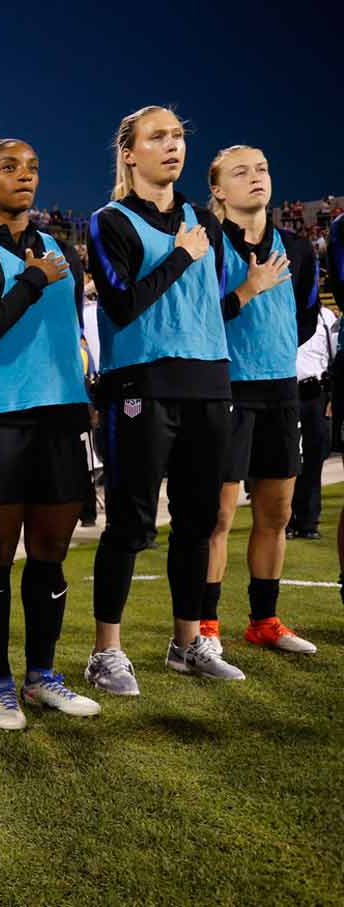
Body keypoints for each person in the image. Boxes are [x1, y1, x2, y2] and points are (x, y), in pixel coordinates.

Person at [0, 139, 101, 730]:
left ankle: (41, 677)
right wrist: (30, 281)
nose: (25, 177)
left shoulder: (63, 249)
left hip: (62, 415)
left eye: (33, 167)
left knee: (50, 556)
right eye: (9, 168)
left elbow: (71, 334)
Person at [84, 105, 241, 695]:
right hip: (141, 384)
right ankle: (107, 653)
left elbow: (207, 303)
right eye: (158, 137)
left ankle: (188, 643)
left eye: (178, 135)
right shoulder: (110, 220)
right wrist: (181, 254)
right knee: (129, 522)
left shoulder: (205, 220)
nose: (172, 145)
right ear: (129, 153)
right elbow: (122, 306)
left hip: (208, 381)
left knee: (200, 523)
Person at [202, 145, 320, 656]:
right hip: (225, 390)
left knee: (277, 512)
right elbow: (197, 318)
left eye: (263, 169)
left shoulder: (297, 247)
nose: (257, 178)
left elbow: (307, 319)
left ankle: (264, 620)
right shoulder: (207, 244)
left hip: (281, 390)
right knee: (218, 518)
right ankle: (204, 628)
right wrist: (249, 290)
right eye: (242, 171)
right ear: (218, 190)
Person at [291, 302, 334, 540]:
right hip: (286, 392)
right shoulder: (285, 310)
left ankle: (308, 522)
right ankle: (286, 520)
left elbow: (333, 359)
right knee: (286, 461)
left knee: (314, 460)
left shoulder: (325, 316)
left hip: (316, 395)